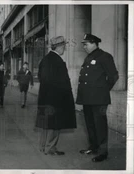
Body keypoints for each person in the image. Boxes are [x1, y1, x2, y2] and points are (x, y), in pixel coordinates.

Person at [76, 34, 119, 162]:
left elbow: (114, 77)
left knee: (100, 124)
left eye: (86, 44)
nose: (84, 47)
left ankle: (102, 152)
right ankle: (93, 147)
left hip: (99, 99)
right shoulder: (89, 58)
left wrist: (103, 91)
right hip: (88, 98)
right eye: (83, 44)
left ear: (94, 43)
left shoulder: (104, 57)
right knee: (90, 124)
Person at [35, 36, 77, 155]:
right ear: (58, 47)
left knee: (46, 124)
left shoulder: (45, 59)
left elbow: (41, 77)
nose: (64, 49)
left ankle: (43, 147)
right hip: (56, 99)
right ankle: (50, 148)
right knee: (55, 124)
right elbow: (62, 82)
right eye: (63, 46)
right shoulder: (58, 61)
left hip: (45, 97)